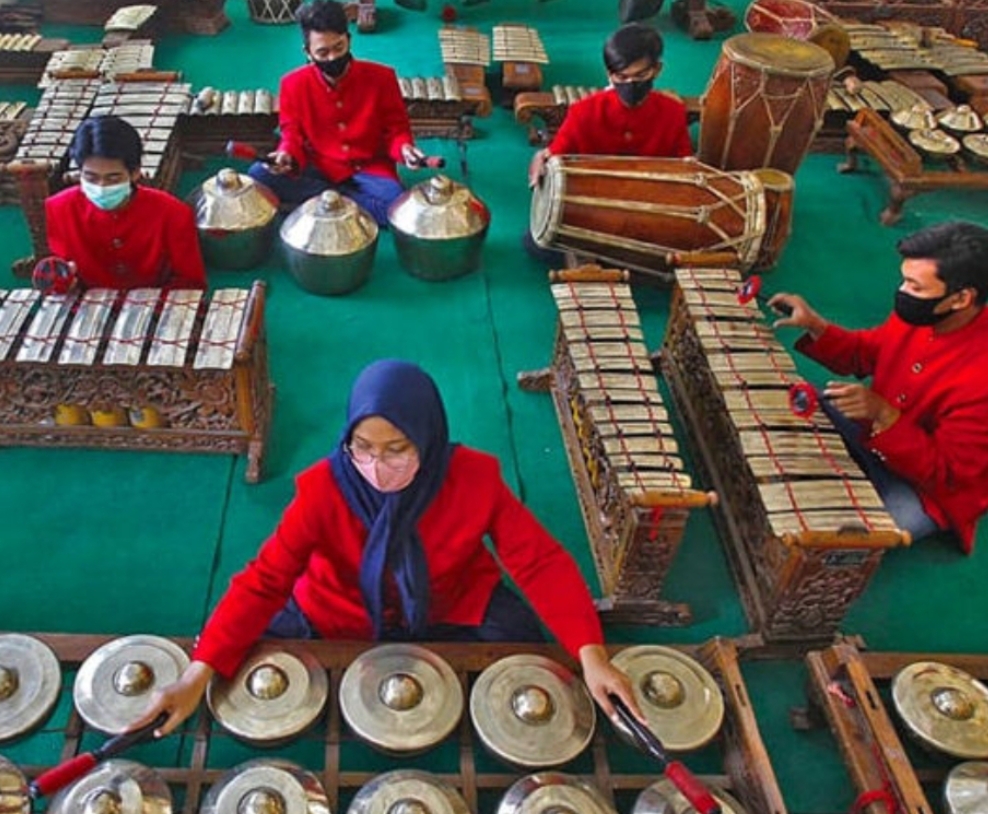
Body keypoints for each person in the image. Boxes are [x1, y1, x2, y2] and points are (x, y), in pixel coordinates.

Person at [137, 359, 642, 736]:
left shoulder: (474, 479)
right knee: (248, 651)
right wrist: (198, 671)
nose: (378, 465)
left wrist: (591, 654)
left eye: (397, 449)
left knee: (527, 647)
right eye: (364, 447)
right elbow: (265, 579)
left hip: (449, 603)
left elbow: (539, 561)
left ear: (428, 435)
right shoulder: (322, 490)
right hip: (338, 610)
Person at [770, 221, 988, 551]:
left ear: (961, 298)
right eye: (904, 279)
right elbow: (869, 351)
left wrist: (885, 415)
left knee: (853, 543)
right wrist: (816, 325)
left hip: (926, 489)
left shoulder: (981, 381)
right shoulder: (924, 313)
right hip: (870, 430)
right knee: (791, 397)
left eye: (915, 287)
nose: (902, 291)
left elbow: (946, 474)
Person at [249, 0, 428, 225]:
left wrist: (405, 149)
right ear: (308, 52)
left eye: (339, 47)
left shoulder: (382, 77)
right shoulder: (292, 84)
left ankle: (323, 202)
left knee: (396, 208)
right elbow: (291, 134)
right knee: (259, 175)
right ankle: (341, 201)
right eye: (322, 52)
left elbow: (397, 130)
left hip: (369, 167)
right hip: (319, 166)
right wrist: (286, 154)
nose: (333, 57)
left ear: (348, 39)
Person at [45, 115, 206, 291]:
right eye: (91, 177)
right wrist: (66, 284)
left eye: (113, 178)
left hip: (156, 309)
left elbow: (192, 284)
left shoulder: (174, 213)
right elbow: (59, 277)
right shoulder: (58, 209)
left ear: (135, 173)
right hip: (86, 309)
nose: (101, 187)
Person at [527, 23, 692, 190]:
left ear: (657, 69)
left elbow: (685, 164)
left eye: (641, 75)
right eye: (621, 77)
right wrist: (542, 159)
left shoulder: (673, 112)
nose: (630, 83)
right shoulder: (583, 113)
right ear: (609, 74)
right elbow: (555, 153)